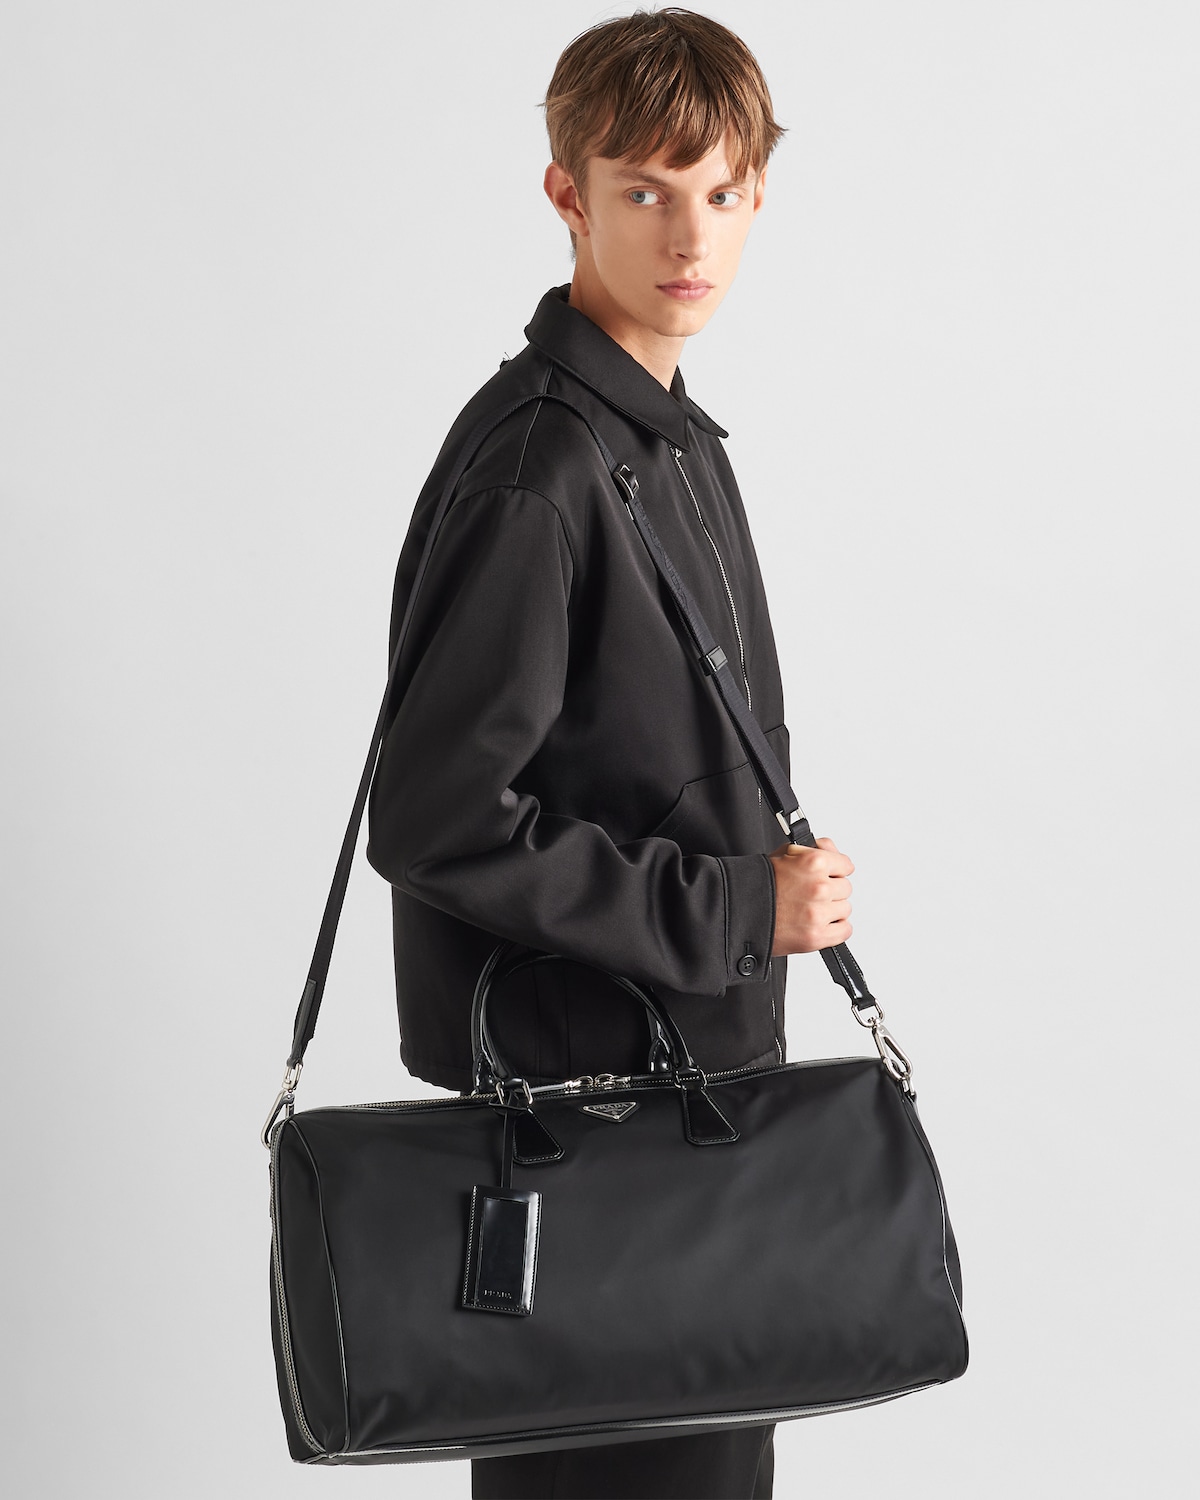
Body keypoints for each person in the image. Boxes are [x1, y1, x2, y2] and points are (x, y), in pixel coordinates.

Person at [365, 9, 855, 1498]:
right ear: (566, 194)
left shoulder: (665, 442)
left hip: (678, 1120)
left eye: (721, 191)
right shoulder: (545, 467)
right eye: (643, 190)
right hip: (590, 1147)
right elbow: (438, 818)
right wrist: (739, 908)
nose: (688, 236)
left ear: (759, 197)